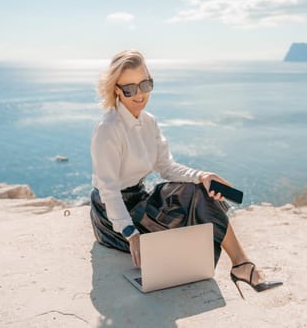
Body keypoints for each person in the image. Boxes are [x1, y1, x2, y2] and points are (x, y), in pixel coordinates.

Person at [89, 49, 282, 299]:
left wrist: (202, 175)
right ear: (117, 89)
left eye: (145, 84)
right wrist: (130, 233)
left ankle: (241, 264)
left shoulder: (149, 122)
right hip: (111, 215)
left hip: (140, 199)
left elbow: (167, 167)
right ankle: (241, 267)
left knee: (203, 189)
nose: (140, 94)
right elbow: (109, 191)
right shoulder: (108, 129)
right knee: (193, 203)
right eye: (130, 89)